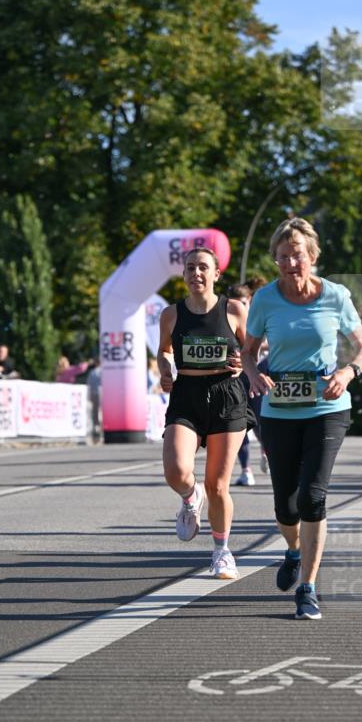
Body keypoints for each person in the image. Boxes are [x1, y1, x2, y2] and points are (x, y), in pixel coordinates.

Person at [242, 217, 362, 620]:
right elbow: (247, 351)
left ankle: (308, 588)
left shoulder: (335, 295)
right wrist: (254, 374)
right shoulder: (265, 299)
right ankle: (293, 548)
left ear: (311, 256)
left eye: (296, 255)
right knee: (286, 505)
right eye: (282, 257)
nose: (289, 263)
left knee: (313, 497)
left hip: (327, 407)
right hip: (279, 409)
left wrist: (348, 372)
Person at [158, 248, 249, 580]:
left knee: (218, 485)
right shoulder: (170, 314)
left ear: (216, 274)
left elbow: (253, 348)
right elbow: (164, 350)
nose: (197, 272)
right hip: (186, 395)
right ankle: (188, 495)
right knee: (176, 470)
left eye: (203, 267)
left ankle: (222, 552)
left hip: (227, 395)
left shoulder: (235, 309)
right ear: (183, 274)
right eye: (191, 267)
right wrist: (164, 368)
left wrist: (243, 363)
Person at [228, 284, 256, 486]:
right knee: (240, 424)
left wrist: (249, 350)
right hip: (236, 378)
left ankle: (268, 453)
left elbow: (271, 342)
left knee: (262, 425)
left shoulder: (259, 316)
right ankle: (246, 469)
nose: (241, 307)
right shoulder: (228, 317)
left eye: (244, 303)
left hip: (260, 373)